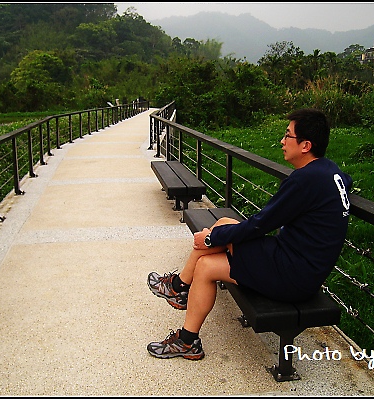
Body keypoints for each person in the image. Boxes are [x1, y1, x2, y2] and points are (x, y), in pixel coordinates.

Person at [146, 108, 352, 360]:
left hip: (292, 275)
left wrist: (210, 238)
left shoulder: (305, 181)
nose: (282, 141)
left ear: (306, 145)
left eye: (288, 136)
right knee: (221, 225)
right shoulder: (329, 172)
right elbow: (346, 181)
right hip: (299, 267)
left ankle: (180, 297)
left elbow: (260, 224)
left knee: (210, 258)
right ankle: (181, 300)